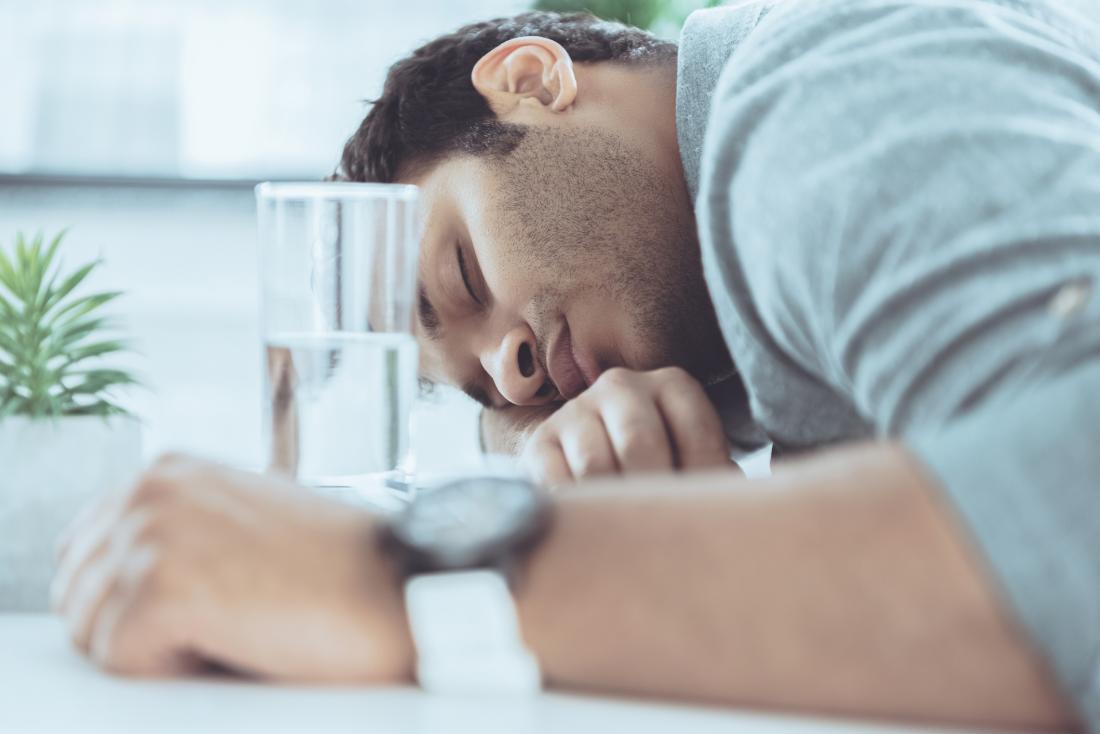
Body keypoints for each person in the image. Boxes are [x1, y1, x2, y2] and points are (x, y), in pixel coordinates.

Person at [54, 0, 1100, 729]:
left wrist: (405, 578)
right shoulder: (762, 312)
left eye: (461, 269)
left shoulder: (810, 101)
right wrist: (654, 524)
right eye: (475, 385)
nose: (511, 373)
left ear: (529, 80)